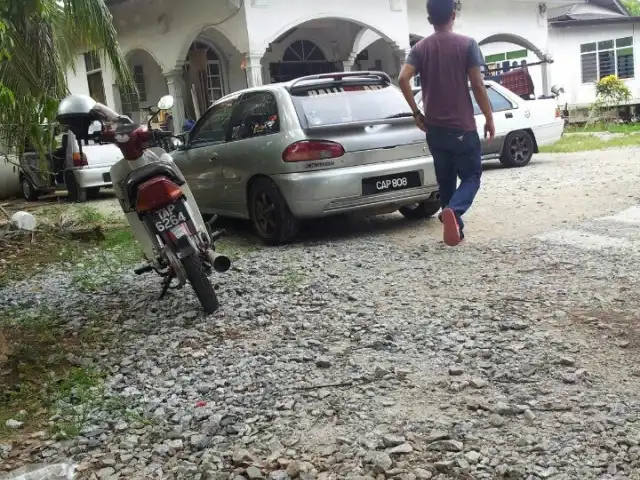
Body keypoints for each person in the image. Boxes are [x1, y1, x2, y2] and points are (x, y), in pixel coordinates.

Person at [398, 0, 495, 246]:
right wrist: (489, 117)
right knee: (471, 176)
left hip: (434, 129)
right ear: (453, 14)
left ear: (430, 19)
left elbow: (402, 78)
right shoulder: (467, 44)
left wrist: (416, 114)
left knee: (446, 179)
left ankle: (454, 231)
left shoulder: (419, 48)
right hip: (462, 127)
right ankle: (455, 211)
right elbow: (478, 85)